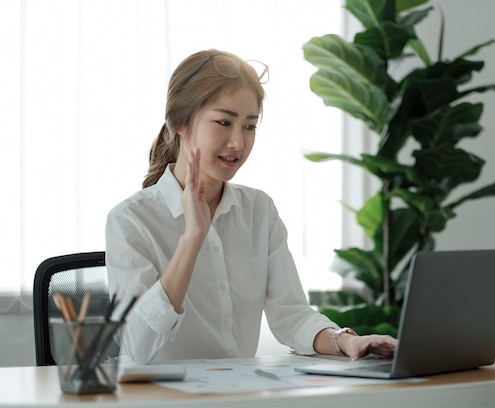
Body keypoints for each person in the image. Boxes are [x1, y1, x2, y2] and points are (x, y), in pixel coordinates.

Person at [105, 49, 397, 365]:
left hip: (241, 394)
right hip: (162, 397)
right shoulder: (131, 220)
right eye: (223, 122)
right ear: (179, 122)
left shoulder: (259, 210)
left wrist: (345, 341)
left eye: (249, 126)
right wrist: (192, 239)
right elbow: (137, 344)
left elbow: (290, 313)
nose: (238, 143)